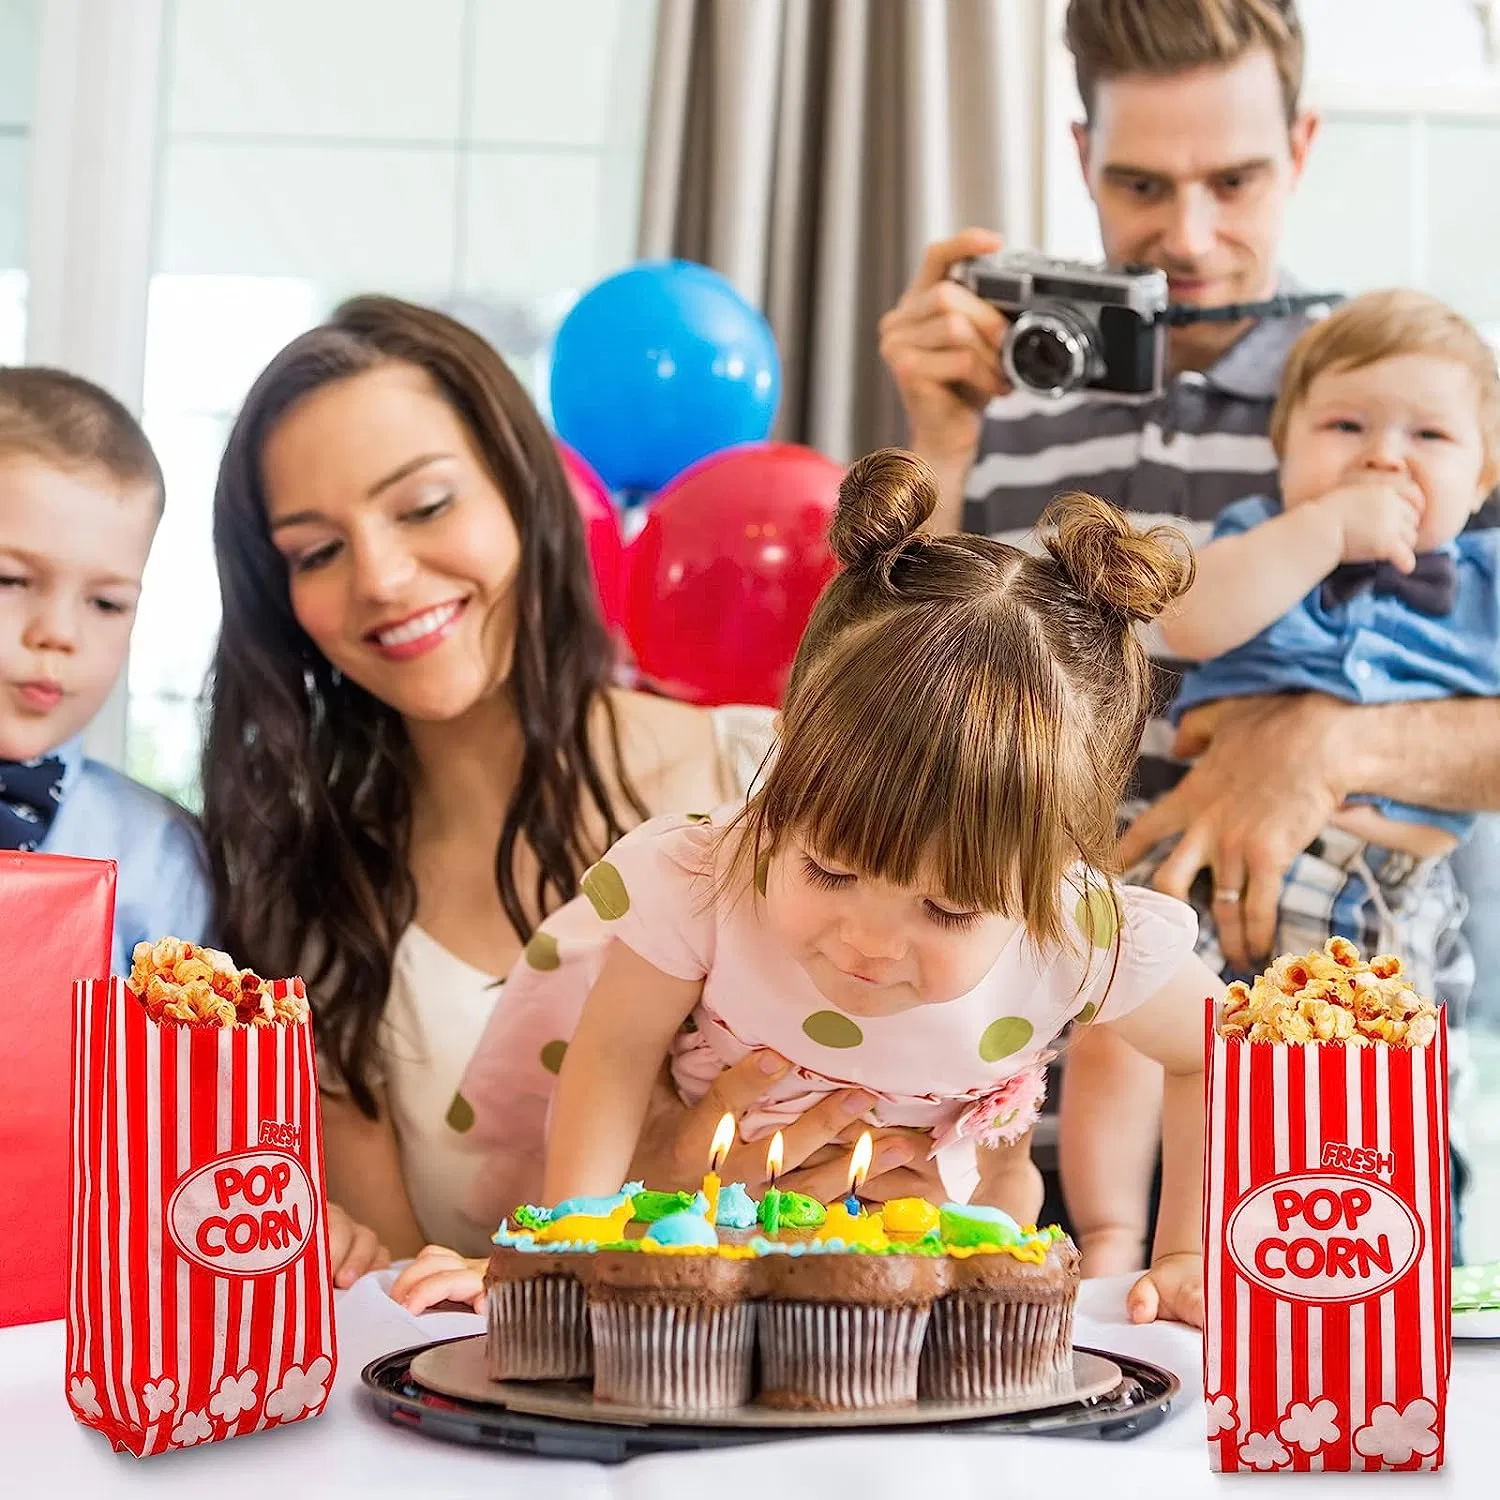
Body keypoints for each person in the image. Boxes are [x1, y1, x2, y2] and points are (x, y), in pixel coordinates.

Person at [878, 0, 1500, 1275]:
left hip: (1321, 1084)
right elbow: (878, 720)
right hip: (1021, 1116)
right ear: (1079, 153)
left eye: (1237, 180)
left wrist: (1327, 745)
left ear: (1305, 148)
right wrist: (938, 447)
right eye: (1143, 185)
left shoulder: (1393, 402)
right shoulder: (1014, 394)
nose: (1192, 234)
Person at [201, 297, 946, 1292]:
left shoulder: (759, 780)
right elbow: (393, 1301)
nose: (379, 576)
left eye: (423, 506)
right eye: (316, 551)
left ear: (526, 491)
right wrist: (641, 1197)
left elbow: (989, 1161)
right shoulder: (314, 888)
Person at [398, 449, 1219, 1329]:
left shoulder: (1079, 931)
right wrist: (569, 1249)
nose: (868, 940)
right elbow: (613, 1049)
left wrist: (1186, 1254)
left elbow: (1218, 1052)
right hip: (705, 1281)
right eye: (829, 869)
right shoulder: (709, 882)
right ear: (784, 760)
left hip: (925, 1314)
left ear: (1049, 873)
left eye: (946, 909)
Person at [1154, 288, 1499, 987]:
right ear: (1283, 449)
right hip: (1204, 853)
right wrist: (1324, 532)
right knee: (1126, 1022)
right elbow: (1188, 622)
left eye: (1428, 436)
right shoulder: (1263, 534)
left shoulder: (1485, 579)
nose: (1384, 457)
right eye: (1346, 425)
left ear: (1482, 479)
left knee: (1359, 1072)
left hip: (1381, 890)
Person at [0, 367, 212, 974]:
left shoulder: (159, 855)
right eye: (10, 580)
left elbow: (191, 1064)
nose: (60, 634)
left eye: (107, 604)